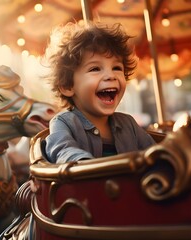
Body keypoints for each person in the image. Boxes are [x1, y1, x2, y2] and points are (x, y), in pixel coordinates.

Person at [43, 21, 155, 164]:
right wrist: (84, 164)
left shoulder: (129, 124)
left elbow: (153, 152)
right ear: (67, 86)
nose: (111, 75)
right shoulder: (64, 123)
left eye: (116, 68)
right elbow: (62, 150)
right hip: (88, 185)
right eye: (95, 69)